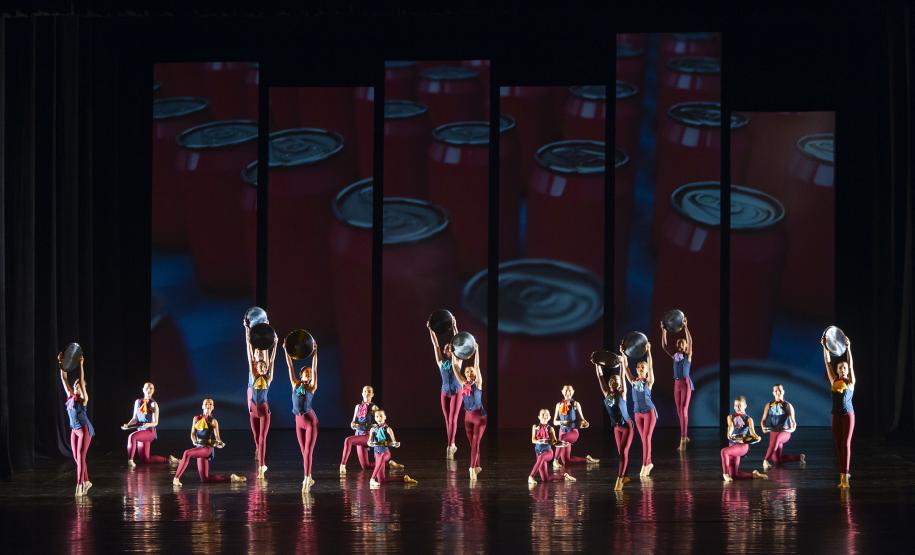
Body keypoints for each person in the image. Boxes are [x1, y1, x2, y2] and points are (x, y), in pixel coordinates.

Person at [172, 398, 246, 486]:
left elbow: (217, 437)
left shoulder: (214, 421)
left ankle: (176, 478)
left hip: (207, 449)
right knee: (205, 479)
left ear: (213, 407)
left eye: (210, 404)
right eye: (206, 404)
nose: (208, 405)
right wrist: (194, 441)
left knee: (187, 453)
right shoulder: (196, 418)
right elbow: (192, 433)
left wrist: (220, 443)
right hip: (199, 447)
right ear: (202, 406)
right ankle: (231, 478)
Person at [596, 350, 634, 492]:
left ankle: (619, 481)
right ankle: (625, 476)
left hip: (627, 426)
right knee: (621, 454)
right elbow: (600, 376)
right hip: (616, 428)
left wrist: (622, 360)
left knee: (624, 452)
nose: (614, 381)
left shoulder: (622, 393)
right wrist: (597, 363)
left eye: (617, 381)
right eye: (612, 380)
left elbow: (623, 374)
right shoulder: (606, 393)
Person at [244, 320, 277, 480]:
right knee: (257, 438)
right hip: (253, 410)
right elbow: (248, 351)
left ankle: (262, 465)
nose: (263, 367)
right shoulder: (253, 373)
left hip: (263, 410)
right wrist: (246, 330)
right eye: (261, 366)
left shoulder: (268, 377)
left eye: (265, 366)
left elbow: (271, 361)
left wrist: (275, 343)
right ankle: (259, 453)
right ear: (257, 367)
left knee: (262, 438)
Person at [59, 351, 94, 496]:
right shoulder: (70, 396)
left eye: (80, 384)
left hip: (85, 430)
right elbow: (63, 377)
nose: (77, 385)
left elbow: (81, 378)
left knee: (81, 457)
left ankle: (79, 486)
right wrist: (62, 364)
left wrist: (81, 364)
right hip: (74, 430)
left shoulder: (84, 398)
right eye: (76, 384)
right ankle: (86, 481)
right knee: (76, 458)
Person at [822, 335, 856, 488]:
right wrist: (825, 346)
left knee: (846, 443)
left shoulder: (851, 382)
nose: (842, 369)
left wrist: (848, 348)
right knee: (837, 444)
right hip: (835, 415)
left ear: (847, 371)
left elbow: (851, 363)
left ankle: (845, 476)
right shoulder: (834, 380)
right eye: (840, 368)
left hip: (848, 415)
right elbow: (827, 362)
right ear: (837, 370)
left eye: (845, 368)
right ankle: (843, 473)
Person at [121, 382, 177, 468]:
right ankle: (169, 460)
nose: (149, 390)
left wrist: (148, 424)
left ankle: (130, 460)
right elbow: (135, 418)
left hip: (149, 432)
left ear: (153, 391)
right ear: (143, 389)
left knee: (132, 437)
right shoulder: (137, 402)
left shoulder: (153, 404)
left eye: (151, 388)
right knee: (145, 460)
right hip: (140, 431)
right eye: (147, 388)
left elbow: (156, 422)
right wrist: (128, 425)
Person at [287, 342, 319, 492]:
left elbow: (315, 367)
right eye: (307, 372)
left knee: (308, 451)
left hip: (310, 421)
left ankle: (306, 478)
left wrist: (315, 352)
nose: (309, 374)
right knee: (303, 451)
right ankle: (309, 476)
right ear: (301, 374)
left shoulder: (312, 386)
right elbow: (290, 367)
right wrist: (286, 350)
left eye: (310, 373)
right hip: (298, 421)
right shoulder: (294, 383)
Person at [428, 319, 462, 459]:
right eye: (447, 348)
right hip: (444, 392)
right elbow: (435, 344)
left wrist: (454, 325)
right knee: (447, 420)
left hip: (456, 392)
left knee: (453, 419)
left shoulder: (458, 360)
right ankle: (451, 446)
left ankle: (450, 445)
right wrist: (430, 329)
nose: (448, 349)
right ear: (444, 351)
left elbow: (458, 341)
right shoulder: (440, 362)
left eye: (450, 348)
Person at [451, 348, 487, 481]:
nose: (469, 372)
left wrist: (477, 350)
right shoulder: (462, 383)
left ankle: (472, 468)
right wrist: (454, 353)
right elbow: (455, 368)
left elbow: (477, 365)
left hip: (479, 417)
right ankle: (477, 466)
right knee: (473, 444)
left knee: (476, 442)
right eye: (467, 371)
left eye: (471, 371)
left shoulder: (478, 383)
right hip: (467, 417)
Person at [623, 342, 657, 477]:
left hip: (649, 412)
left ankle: (646, 464)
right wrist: (623, 353)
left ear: (647, 369)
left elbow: (651, 364)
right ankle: (648, 462)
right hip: (637, 413)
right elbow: (625, 367)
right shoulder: (633, 381)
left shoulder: (649, 381)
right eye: (639, 367)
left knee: (647, 437)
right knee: (643, 439)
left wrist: (648, 351)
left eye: (643, 367)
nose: (641, 368)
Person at [661, 318, 693, 450]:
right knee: (679, 411)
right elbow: (664, 346)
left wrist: (686, 327)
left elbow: (690, 342)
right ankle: (685, 435)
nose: (680, 345)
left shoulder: (688, 356)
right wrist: (663, 330)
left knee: (684, 410)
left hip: (685, 384)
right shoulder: (675, 356)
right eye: (679, 344)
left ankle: (683, 439)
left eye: (682, 344)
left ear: (685, 347)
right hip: (677, 384)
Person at [721, 395, 767, 482]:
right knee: (734, 475)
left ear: (745, 406)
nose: (737, 407)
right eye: (735, 405)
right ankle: (754, 475)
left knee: (724, 451)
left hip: (742, 446)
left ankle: (725, 474)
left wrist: (757, 438)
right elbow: (731, 426)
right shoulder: (730, 417)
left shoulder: (748, 419)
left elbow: (752, 433)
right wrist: (729, 433)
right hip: (732, 446)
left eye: (739, 405)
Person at [551, 385, 598, 470]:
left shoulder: (576, 404)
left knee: (561, 438)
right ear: (562, 391)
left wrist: (585, 423)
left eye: (569, 390)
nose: (567, 392)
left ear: (573, 392)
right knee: (566, 461)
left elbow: (583, 419)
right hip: (562, 432)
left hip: (573, 433)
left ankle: (555, 460)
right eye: (565, 390)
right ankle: (587, 459)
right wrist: (562, 422)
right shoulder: (558, 405)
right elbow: (554, 422)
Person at [367, 409, 417, 487]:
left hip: (385, 452)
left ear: (385, 417)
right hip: (376, 453)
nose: (379, 418)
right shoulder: (373, 429)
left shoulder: (388, 429)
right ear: (375, 418)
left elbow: (394, 442)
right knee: (381, 480)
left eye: (381, 416)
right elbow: (369, 441)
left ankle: (372, 479)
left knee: (382, 457)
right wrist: (370, 443)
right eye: (377, 416)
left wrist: (396, 444)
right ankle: (404, 478)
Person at [759, 384, 805, 470]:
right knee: (777, 460)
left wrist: (792, 429)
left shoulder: (788, 405)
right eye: (776, 390)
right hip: (773, 432)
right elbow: (763, 420)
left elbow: (793, 422)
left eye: (779, 390)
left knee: (778, 439)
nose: (778, 392)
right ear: (773, 393)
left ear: (783, 391)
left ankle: (765, 460)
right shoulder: (768, 405)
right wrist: (763, 427)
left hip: (784, 432)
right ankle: (799, 457)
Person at [530, 409, 576, 486]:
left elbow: (555, 442)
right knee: (545, 479)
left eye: (547, 414)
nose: (545, 415)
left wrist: (562, 444)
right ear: (539, 417)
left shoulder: (550, 429)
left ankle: (531, 476)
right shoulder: (535, 427)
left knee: (541, 457)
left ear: (549, 417)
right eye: (543, 414)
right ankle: (564, 476)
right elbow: (533, 440)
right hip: (538, 452)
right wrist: (540, 441)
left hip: (548, 452)